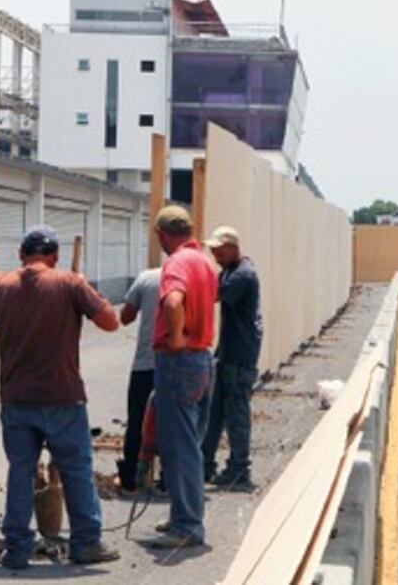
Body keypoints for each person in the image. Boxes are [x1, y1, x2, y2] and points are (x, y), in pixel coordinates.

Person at [0, 225, 121, 570]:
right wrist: (84, 289)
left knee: (21, 470)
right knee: (76, 470)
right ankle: (86, 543)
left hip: (16, 397)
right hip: (62, 396)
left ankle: (17, 548)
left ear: (22, 255)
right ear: (55, 256)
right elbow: (111, 322)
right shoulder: (69, 283)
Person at [150, 205, 218, 549]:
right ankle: (183, 516)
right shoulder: (205, 262)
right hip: (203, 359)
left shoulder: (176, 263)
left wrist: (176, 338)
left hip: (179, 361)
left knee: (180, 448)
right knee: (190, 443)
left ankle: (187, 526)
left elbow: (174, 302)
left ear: (163, 233)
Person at [202, 226, 263, 491]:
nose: (215, 255)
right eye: (213, 251)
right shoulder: (230, 270)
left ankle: (239, 469)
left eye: (220, 251)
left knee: (236, 413)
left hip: (240, 355)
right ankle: (205, 464)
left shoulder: (242, 275)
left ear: (234, 248)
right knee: (214, 412)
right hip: (229, 351)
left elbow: (212, 295)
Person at [117, 267, 161, 492]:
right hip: (178, 363)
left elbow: (125, 317)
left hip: (146, 363)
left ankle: (132, 478)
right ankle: (170, 479)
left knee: (137, 421)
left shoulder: (147, 278)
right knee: (175, 422)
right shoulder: (194, 274)